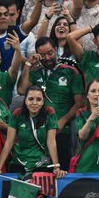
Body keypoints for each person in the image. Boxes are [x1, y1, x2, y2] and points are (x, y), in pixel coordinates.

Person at [18, 37, 85, 167]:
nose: (47, 57)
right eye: (42, 55)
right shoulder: (35, 71)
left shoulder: (70, 71)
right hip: (39, 132)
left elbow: (80, 102)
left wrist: (63, 120)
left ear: (55, 50)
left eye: (50, 53)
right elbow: (21, 90)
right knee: (41, 173)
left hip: (63, 131)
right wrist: (27, 65)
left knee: (62, 169)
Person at [0, 86, 65, 179]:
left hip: (42, 166)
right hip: (19, 165)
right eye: (30, 99)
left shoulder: (49, 113)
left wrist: (56, 167)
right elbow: (9, 142)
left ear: (43, 102)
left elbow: (51, 142)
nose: (34, 103)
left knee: (40, 193)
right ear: (25, 101)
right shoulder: (17, 114)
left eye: (38, 99)